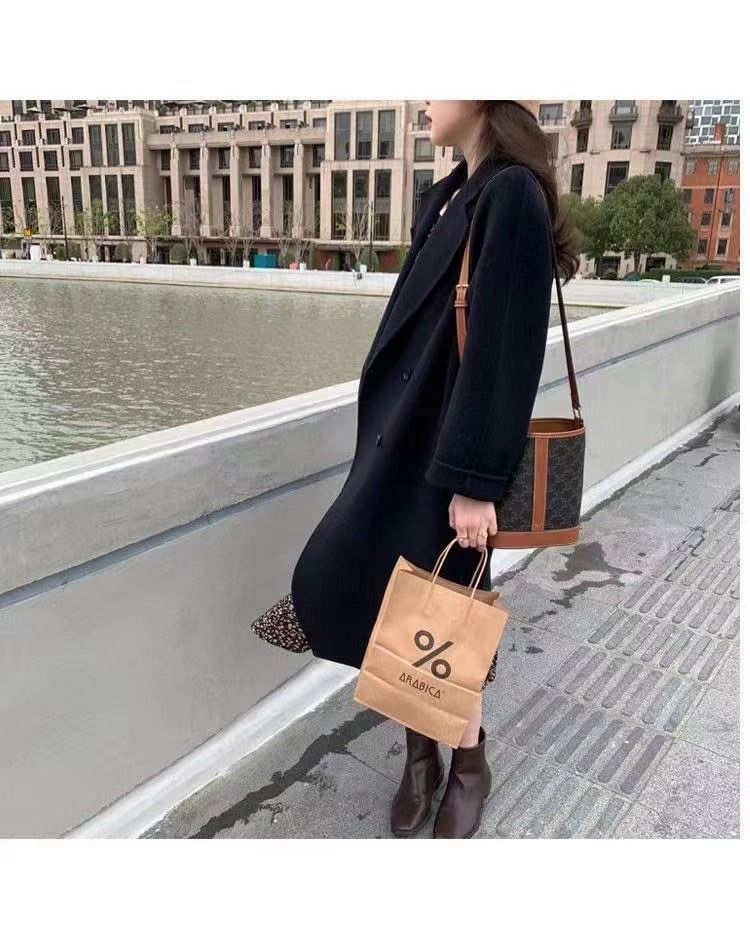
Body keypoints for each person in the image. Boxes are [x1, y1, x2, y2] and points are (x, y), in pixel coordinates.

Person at [252, 100, 579, 838]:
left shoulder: (510, 195)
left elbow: (504, 350)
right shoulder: (446, 196)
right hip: (404, 443)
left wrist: (475, 482)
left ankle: (467, 760)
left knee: (445, 608)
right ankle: (419, 751)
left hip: (449, 456)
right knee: (398, 597)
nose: (425, 98)